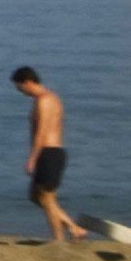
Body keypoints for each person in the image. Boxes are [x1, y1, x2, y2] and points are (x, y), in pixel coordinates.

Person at [11, 66, 85, 244]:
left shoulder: (44, 100)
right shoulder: (51, 97)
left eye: (19, 87)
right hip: (51, 153)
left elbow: (42, 132)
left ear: (28, 82)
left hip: (49, 152)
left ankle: (59, 239)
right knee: (36, 196)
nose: (20, 92)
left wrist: (32, 158)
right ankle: (73, 227)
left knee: (47, 197)